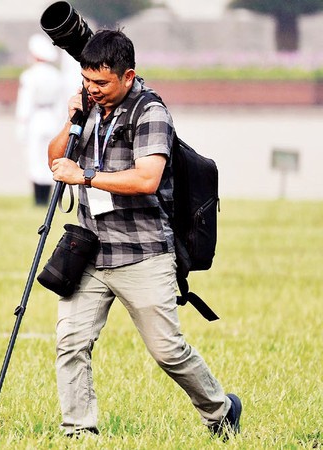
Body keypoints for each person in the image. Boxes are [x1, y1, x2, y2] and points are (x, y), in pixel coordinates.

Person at [47, 29, 241, 438]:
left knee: (168, 352)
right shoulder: (88, 108)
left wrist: (86, 175)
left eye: (101, 83)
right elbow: (54, 158)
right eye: (86, 81)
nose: (92, 90)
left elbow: (147, 178)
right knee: (71, 343)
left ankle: (221, 409)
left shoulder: (150, 112)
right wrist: (72, 119)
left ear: (128, 76)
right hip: (90, 250)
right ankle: (79, 432)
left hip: (142, 252)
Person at [15, 34, 73, 206]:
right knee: (50, 159)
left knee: (35, 158)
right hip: (52, 119)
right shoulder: (56, 75)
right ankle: (47, 198)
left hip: (35, 119)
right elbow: (61, 103)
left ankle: (39, 200)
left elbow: (25, 104)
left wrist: (21, 126)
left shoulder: (30, 75)